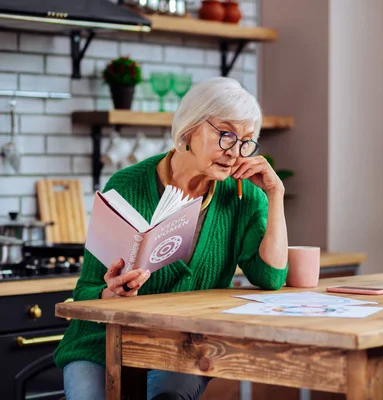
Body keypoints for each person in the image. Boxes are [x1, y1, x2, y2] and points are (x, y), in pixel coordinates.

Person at [54, 77, 289, 400]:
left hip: (182, 345)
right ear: (189, 129)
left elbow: (270, 277)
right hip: (101, 341)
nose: (235, 152)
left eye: (246, 141)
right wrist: (113, 294)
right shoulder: (126, 185)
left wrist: (275, 195)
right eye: (225, 135)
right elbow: (85, 292)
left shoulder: (243, 197)